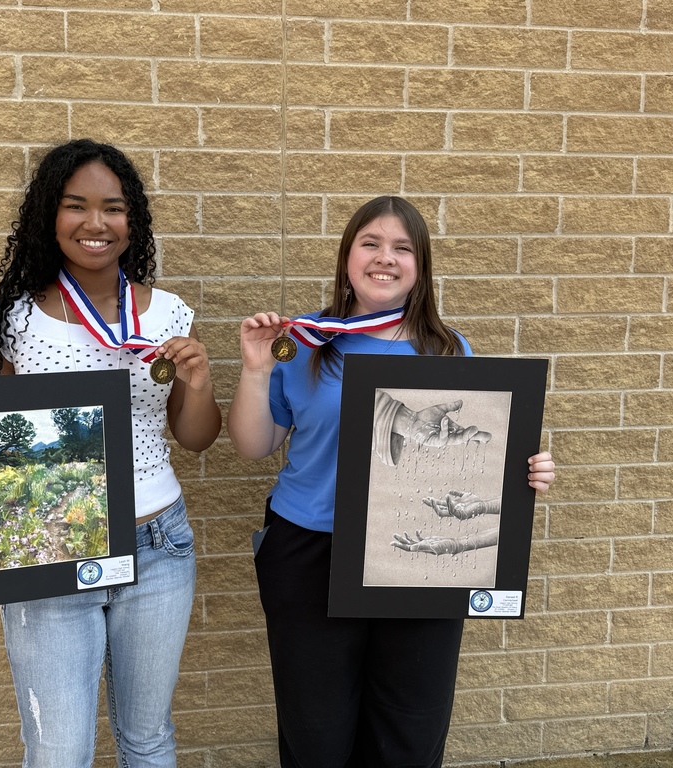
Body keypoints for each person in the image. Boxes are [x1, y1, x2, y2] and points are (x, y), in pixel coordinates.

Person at [227, 195, 555, 768]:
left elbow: (467, 456)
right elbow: (255, 446)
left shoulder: (449, 350)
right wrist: (256, 371)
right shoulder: (304, 344)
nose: (386, 258)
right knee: (316, 732)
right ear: (347, 257)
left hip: (414, 553)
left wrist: (521, 469)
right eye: (371, 243)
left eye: (403, 248)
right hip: (311, 550)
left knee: (409, 729)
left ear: (420, 267)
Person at [0, 139, 221, 768]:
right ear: (51, 215)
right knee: (60, 751)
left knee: (147, 741)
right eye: (77, 206)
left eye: (113, 208)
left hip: (159, 546)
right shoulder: (16, 319)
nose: (96, 223)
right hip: (52, 547)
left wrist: (198, 382)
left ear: (132, 220)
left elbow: (196, 437)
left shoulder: (169, 313)